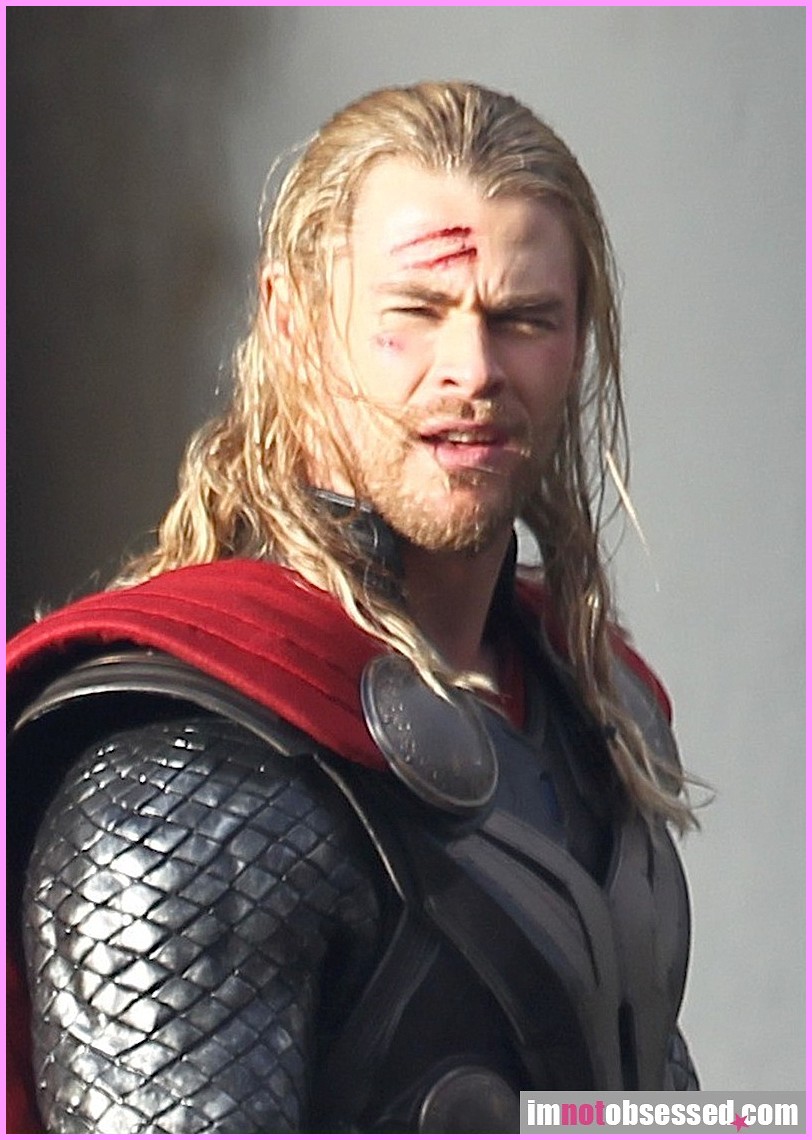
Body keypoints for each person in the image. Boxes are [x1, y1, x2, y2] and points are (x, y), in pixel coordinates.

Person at [7, 81, 699, 1134]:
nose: (472, 371)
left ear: (577, 339)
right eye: (414, 314)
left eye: (521, 320)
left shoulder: (589, 714)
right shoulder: (186, 775)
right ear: (294, 324)